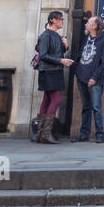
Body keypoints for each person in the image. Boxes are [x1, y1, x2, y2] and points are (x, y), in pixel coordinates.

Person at [35, 10, 74, 144]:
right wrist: (61, 61)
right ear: (53, 20)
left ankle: (40, 134)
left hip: (54, 70)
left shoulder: (56, 35)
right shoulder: (46, 35)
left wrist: (65, 46)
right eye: (60, 19)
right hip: (48, 71)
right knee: (56, 100)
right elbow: (43, 55)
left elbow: (57, 52)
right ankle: (45, 134)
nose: (63, 21)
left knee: (47, 100)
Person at [74, 16, 104, 143]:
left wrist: (94, 78)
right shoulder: (87, 38)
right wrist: (78, 73)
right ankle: (84, 134)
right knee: (86, 107)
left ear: (95, 26)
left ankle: (100, 134)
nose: (85, 24)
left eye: (88, 23)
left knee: (96, 107)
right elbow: (80, 56)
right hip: (82, 78)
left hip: (95, 80)